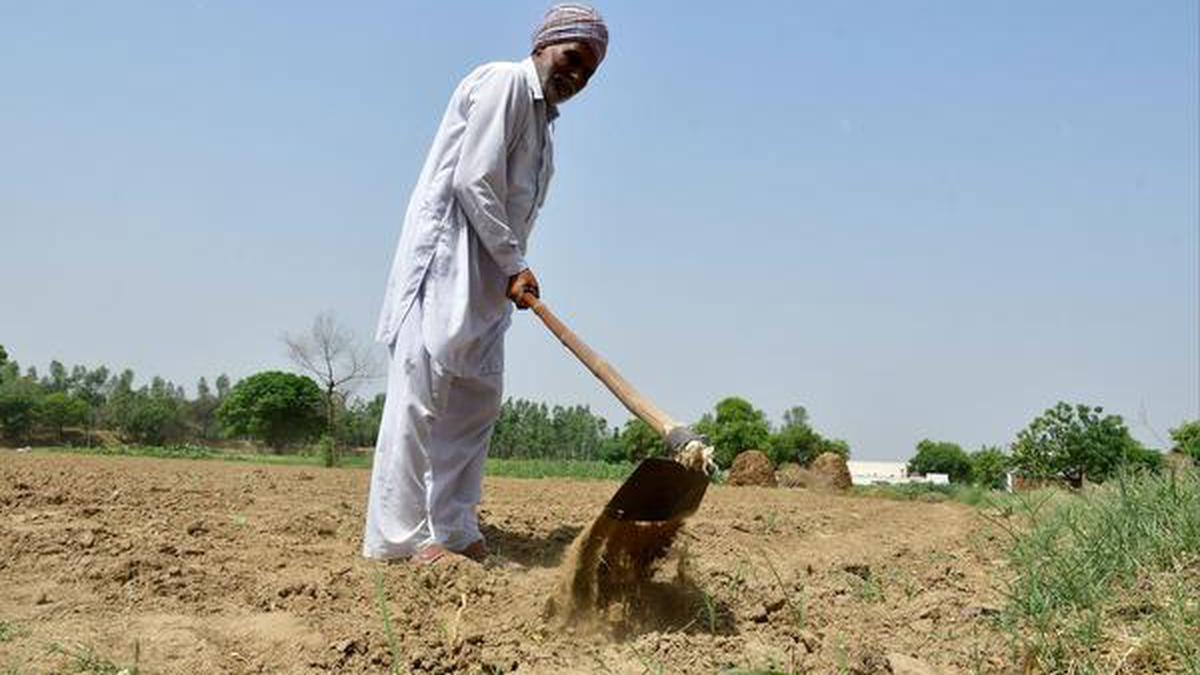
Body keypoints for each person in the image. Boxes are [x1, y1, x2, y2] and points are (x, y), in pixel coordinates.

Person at [362, 4, 608, 564]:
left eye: (590, 73)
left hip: (489, 280)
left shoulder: (546, 125)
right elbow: (473, 180)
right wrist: (515, 261)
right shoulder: (505, 83)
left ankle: (452, 529)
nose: (578, 77)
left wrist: (510, 267)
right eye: (573, 58)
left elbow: (514, 206)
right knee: (420, 402)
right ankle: (398, 542)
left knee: (475, 404)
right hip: (445, 264)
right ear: (545, 44)